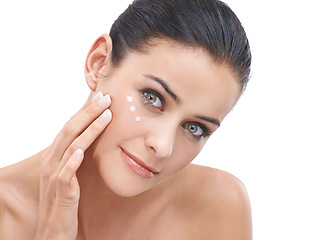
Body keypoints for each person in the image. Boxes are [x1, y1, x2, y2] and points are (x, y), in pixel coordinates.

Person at [0, 0, 252, 239]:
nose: (163, 146)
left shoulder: (219, 207)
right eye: (153, 98)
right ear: (98, 64)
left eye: (194, 128)